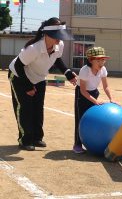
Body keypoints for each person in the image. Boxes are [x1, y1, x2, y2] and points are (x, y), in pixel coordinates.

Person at [8, 17, 77, 151]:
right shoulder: (33, 48)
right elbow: (18, 65)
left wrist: (67, 72)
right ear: (46, 34)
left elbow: (56, 59)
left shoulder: (59, 45)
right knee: (25, 108)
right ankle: (25, 139)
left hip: (39, 77)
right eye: (56, 36)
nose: (59, 39)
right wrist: (27, 85)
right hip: (19, 76)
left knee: (38, 108)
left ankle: (37, 137)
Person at [73, 47, 113, 153]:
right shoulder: (85, 70)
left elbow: (106, 87)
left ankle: (90, 142)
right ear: (91, 60)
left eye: (103, 60)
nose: (102, 62)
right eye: (99, 60)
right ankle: (77, 145)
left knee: (91, 119)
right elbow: (83, 91)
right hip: (81, 95)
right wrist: (95, 101)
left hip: (94, 92)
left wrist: (111, 99)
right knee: (80, 119)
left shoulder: (103, 70)